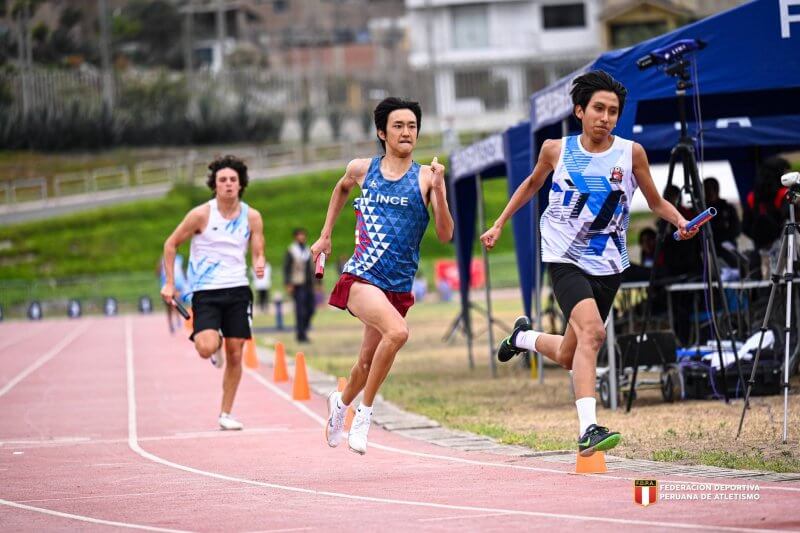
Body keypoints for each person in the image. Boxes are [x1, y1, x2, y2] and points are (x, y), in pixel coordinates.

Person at [480, 71, 698, 457]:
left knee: (569, 353)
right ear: (580, 110)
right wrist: (499, 222)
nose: (606, 117)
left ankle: (521, 338)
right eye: (598, 108)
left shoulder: (632, 154)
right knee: (594, 335)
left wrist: (680, 220)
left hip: (609, 265)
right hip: (565, 258)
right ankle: (589, 431)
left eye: (613, 111)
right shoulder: (556, 150)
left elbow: (655, 201)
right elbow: (531, 185)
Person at [311, 96, 453, 455]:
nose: (407, 132)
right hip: (361, 276)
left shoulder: (427, 176)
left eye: (412, 126)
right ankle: (365, 414)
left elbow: (446, 234)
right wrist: (326, 234)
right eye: (398, 126)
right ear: (382, 132)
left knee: (365, 362)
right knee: (398, 332)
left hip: (397, 286)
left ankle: (340, 405)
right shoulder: (362, 169)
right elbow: (342, 187)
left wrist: (438, 190)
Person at [161, 155, 266, 431]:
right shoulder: (201, 215)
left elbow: (258, 247)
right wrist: (170, 283)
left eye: (233, 179)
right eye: (223, 180)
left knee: (235, 354)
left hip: (238, 289)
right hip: (206, 292)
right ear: (215, 184)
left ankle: (225, 413)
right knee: (205, 347)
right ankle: (214, 344)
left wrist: (258, 261)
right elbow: (171, 245)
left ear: (241, 183)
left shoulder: (252, 216)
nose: (228, 184)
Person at [283, 228, 315, 343]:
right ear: (295, 237)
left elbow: (313, 267)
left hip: (309, 283)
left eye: (303, 235)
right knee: (300, 310)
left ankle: (304, 330)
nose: (302, 237)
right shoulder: (291, 250)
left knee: (311, 309)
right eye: (299, 235)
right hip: (297, 284)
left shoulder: (308, 249)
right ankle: (301, 334)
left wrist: (318, 282)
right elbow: (286, 268)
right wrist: (288, 283)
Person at [703, 177, 742, 269]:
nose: (710, 192)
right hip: (707, 251)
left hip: (726, 249)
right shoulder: (701, 210)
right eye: (707, 189)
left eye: (712, 188)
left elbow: (736, 229)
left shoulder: (727, 208)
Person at [158, 253, 188, 334]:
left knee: (176, 303)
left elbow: (181, 270)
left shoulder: (179, 258)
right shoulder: (163, 258)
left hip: (177, 284)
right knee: (168, 307)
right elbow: (158, 272)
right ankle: (171, 325)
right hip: (167, 285)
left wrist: (184, 280)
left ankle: (178, 321)